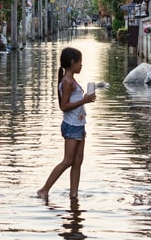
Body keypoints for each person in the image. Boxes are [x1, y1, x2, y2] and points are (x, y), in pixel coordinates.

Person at [37, 47, 96, 199]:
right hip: (71, 126)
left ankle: (74, 195)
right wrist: (85, 100)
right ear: (72, 62)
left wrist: (85, 99)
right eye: (79, 62)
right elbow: (64, 107)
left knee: (78, 161)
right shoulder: (67, 82)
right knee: (68, 160)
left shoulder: (72, 80)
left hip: (79, 125)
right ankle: (44, 189)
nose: (81, 65)